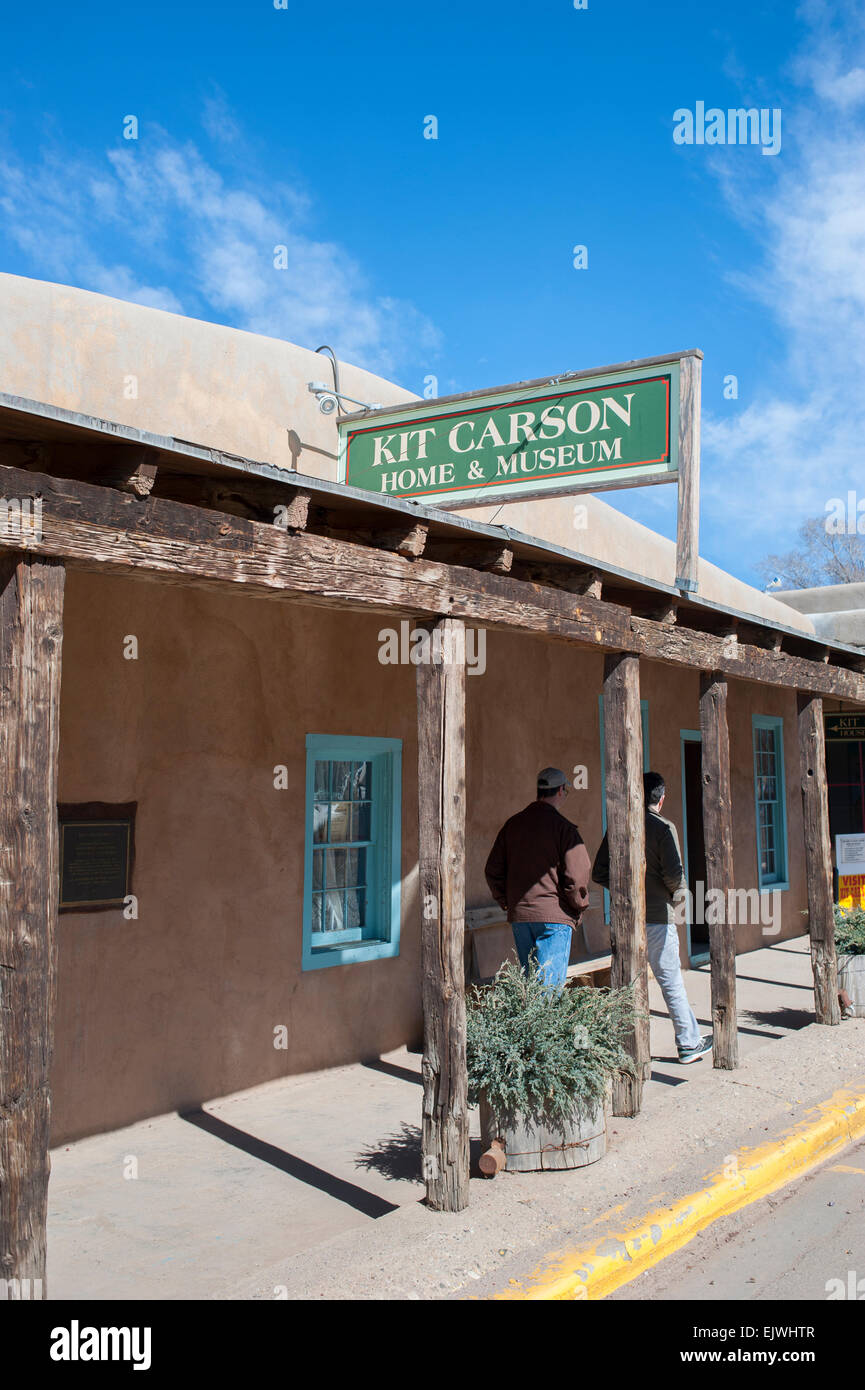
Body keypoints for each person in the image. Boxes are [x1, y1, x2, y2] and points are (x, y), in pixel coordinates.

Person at [592, 771, 713, 1064]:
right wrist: (676, 896)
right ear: (661, 798)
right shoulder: (663, 828)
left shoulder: (619, 827)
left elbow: (599, 872)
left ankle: (622, 1050)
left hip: (627, 915)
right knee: (670, 980)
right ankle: (688, 1042)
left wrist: (625, 890)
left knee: (627, 983)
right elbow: (674, 874)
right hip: (659, 915)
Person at [484, 767, 592, 988]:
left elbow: (493, 870)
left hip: (521, 916)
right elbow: (577, 876)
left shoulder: (512, 826)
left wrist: (508, 902)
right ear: (561, 790)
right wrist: (577, 907)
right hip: (554, 918)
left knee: (531, 991)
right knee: (547, 994)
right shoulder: (564, 829)